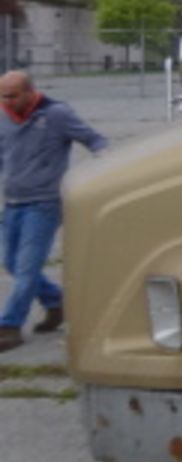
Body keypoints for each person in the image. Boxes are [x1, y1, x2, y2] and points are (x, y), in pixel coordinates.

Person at [0, 71, 109, 352]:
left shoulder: (56, 115)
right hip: (13, 202)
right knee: (11, 262)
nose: (6, 101)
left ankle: (9, 327)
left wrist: (104, 170)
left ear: (29, 92)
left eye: (12, 96)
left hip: (44, 204)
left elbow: (95, 140)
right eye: (2, 95)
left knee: (27, 268)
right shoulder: (3, 116)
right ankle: (56, 302)